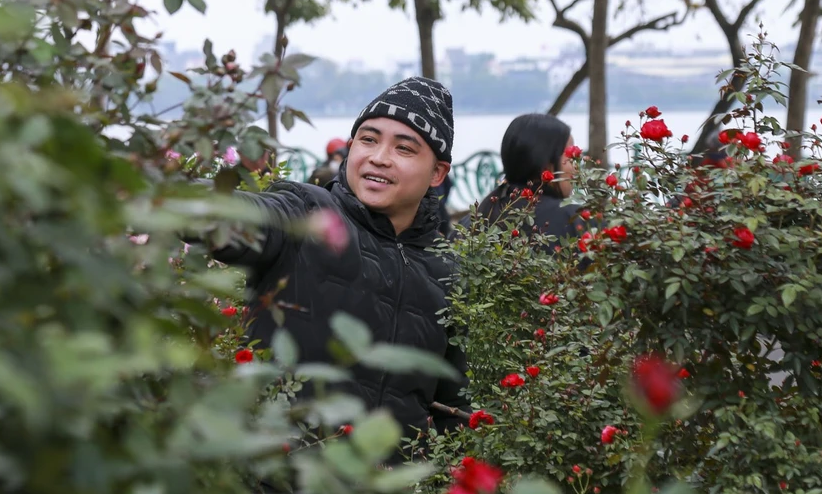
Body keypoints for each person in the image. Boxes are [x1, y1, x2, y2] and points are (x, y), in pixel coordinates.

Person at [210, 77, 470, 445]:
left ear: (438, 173)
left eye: (404, 149)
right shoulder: (308, 212)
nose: (379, 157)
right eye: (368, 139)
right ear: (350, 148)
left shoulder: (446, 271)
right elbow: (251, 216)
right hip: (275, 485)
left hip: (384, 493)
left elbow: (456, 406)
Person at [464, 113, 586, 254]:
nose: (576, 168)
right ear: (545, 162)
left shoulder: (472, 223)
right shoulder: (575, 221)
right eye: (570, 155)